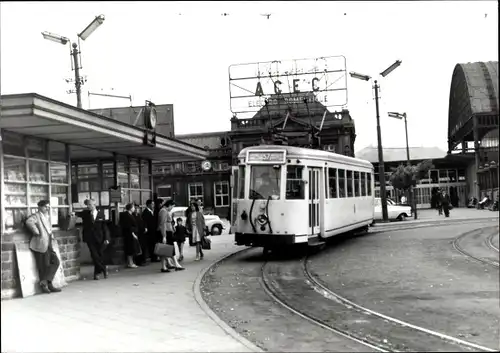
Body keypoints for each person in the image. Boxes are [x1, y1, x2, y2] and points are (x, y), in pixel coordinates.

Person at [25, 200, 62, 294]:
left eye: (48, 207)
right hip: (41, 243)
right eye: (45, 206)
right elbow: (29, 222)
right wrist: (36, 231)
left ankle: (46, 282)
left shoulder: (47, 216)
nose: (47, 208)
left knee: (56, 262)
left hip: (49, 242)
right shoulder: (36, 216)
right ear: (39, 207)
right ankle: (46, 285)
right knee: (44, 265)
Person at [75, 199, 110, 280]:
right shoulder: (85, 213)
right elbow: (76, 213)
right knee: (94, 255)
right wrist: (71, 213)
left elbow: (104, 227)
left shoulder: (101, 214)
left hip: (100, 237)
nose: (88, 206)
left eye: (90, 204)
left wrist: (107, 238)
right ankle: (104, 269)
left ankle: (97, 273)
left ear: (94, 204)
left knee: (99, 255)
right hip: (89, 238)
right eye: (87, 205)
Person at [158, 200, 184, 272]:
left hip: (167, 232)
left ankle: (164, 266)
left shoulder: (164, 211)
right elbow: (162, 223)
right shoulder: (163, 211)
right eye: (172, 206)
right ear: (169, 205)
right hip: (166, 232)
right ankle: (176, 264)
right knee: (170, 248)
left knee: (164, 250)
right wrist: (164, 236)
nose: (172, 208)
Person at [120, 203, 140, 268]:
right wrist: (133, 234)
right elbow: (128, 226)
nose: (134, 208)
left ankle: (130, 262)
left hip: (131, 233)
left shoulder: (131, 214)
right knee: (130, 249)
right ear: (130, 208)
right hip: (129, 234)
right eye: (133, 207)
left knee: (131, 248)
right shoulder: (127, 215)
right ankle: (130, 263)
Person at [141, 199, 156, 264]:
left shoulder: (152, 211)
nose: (153, 205)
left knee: (152, 244)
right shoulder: (146, 212)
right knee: (149, 245)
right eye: (152, 204)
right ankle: (148, 258)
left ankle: (153, 257)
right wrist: (146, 228)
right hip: (148, 232)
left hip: (152, 231)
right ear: (149, 204)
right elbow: (145, 221)